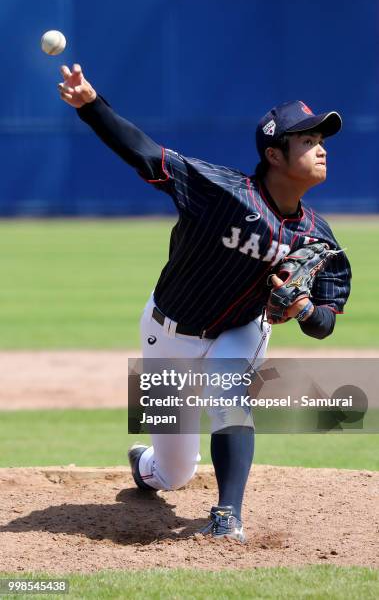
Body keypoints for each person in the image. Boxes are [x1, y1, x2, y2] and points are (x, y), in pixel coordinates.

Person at [58, 64, 351, 543]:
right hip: (165, 328)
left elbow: (322, 324)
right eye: (307, 140)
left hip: (242, 328)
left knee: (227, 396)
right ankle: (145, 467)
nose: (321, 148)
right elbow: (146, 155)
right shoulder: (223, 192)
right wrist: (91, 105)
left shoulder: (318, 239)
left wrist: (300, 307)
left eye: (322, 139)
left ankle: (227, 515)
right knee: (173, 473)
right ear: (275, 155)